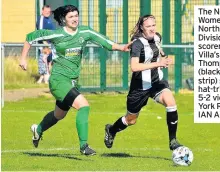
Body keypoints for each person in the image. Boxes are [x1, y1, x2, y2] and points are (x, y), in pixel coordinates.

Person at [19, 5, 131, 156]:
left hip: (72, 82)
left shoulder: (85, 32)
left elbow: (105, 42)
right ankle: (84, 146)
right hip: (58, 80)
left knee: (59, 115)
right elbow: (30, 37)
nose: (74, 19)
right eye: (71, 16)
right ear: (64, 19)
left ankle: (37, 130)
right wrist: (23, 58)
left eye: (76, 15)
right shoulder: (56, 34)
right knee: (84, 106)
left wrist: (122, 47)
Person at [104, 14, 183, 151]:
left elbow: (159, 50)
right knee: (131, 120)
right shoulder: (137, 44)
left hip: (157, 81)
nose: (152, 29)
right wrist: (158, 63)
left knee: (171, 102)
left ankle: (173, 141)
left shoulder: (157, 37)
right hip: (140, 87)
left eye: (154, 25)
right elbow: (134, 67)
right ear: (141, 27)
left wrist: (165, 58)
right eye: (148, 26)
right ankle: (112, 130)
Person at [36, 5, 55, 84]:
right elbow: (40, 33)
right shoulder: (41, 19)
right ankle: (46, 79)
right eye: (46, 11)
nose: (48, 13)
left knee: (49, 61)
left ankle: (41, 79)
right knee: (44, 61)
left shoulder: (48, 19)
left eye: (49, 11)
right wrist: (45, 44)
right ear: (42, 11)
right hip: (45, 45)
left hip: (51, 44)